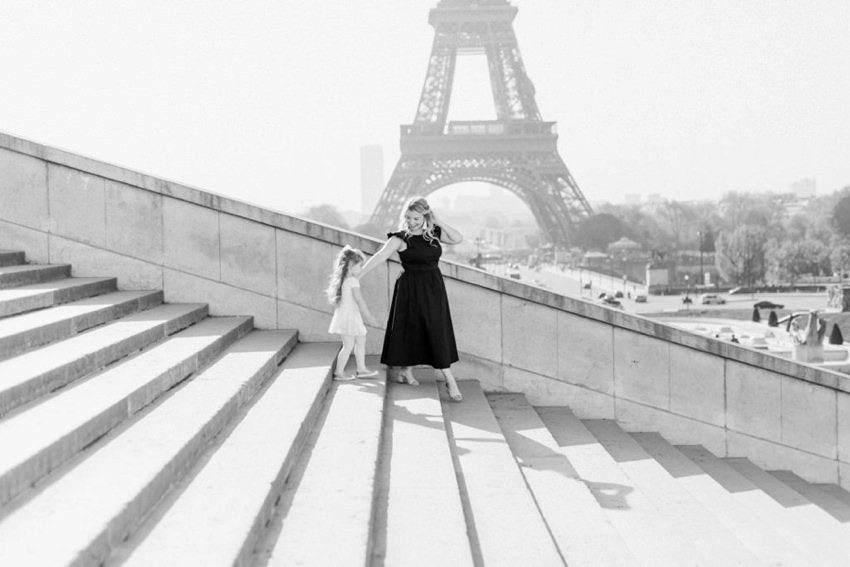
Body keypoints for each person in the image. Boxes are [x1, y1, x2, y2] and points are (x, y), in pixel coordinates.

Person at [359, 196, 464, 402]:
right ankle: (450, 380)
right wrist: (359, 274)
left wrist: (437, 221)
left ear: (424, 216)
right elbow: (380, 256)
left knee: (436, 330)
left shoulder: (432, 234)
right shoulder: (400, 238)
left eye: (416, 218)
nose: (412, 222)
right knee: (413, 328)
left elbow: (458, 238)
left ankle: (411, 371)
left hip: (434, 288)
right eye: (408, 217)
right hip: (411, 288)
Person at [326, 245, 379, 381]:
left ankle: (361, 369)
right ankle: (339, 372)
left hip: (349, 316)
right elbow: (359, 300)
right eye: (360, 266)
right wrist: (369, 316)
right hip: (349, 317)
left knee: (361, 338)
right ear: (351, 265)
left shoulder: (344, 280)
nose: (361, 269)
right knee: (349, 344)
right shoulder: (352, 281)